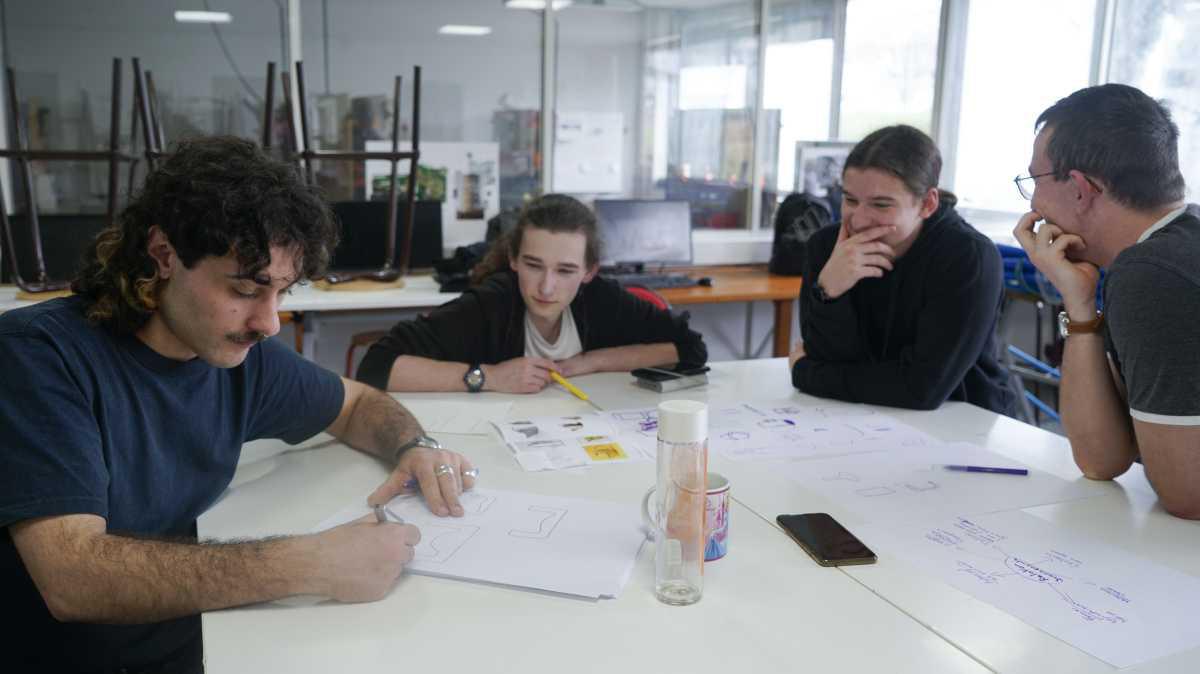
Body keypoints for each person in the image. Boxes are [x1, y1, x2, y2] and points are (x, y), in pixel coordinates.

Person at [0, 136, 476, 673]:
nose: (269, 323)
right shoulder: (40, 356)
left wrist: (414, 445)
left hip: (208, 635)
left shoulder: (239, 357)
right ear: (164, 255)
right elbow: (73, 579)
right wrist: (310, 562)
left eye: (283, 292)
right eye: (248, 290)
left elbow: (358, 404)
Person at [1013, 84, 1200, 519]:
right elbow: (1101, 459)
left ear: (1080, 187)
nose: (1035, 206)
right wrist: (1079, 306)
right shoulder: (1170, 246)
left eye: (1034, 182)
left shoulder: (1153, 273)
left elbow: (1186, 494)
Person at [356, 194, 707, 393]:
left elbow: (690, 349)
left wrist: (589, 362)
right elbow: (376, 366)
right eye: (533, 265)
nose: (546, 287)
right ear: (513, 260)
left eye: (566, 270)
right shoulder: (491, 305)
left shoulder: (600, 299)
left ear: (589, 271)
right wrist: (488, 377)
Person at [789, 125, 1016, 416]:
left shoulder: (968, 257)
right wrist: (828, 292)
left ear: (927, 204)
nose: (858, 220)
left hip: (964, 423)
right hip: (855, 419)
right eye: (850, 200)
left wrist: (806, 374)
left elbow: (922, 389)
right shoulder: (826, 247)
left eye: (881, 205)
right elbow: (826, 356)